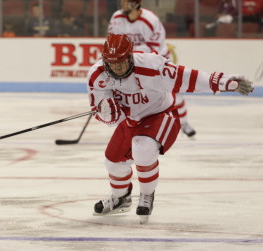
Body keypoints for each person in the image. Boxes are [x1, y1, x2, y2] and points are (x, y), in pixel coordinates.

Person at [88, 34, 253, 224]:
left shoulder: (152, 66)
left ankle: (147, 195)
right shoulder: (96, 75)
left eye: (121, 62)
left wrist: (224, 82)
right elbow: (104, 114)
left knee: (142, 147)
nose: (116, 67)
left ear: (130, 56)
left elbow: (188, 78)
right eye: (111, 63)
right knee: (112, 162)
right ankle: (120, 197)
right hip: (131, 120)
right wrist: (108, 114)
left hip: (161, 114)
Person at [108, 0, 196, 137]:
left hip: (158, 61)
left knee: (174, 92)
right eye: (122, 1)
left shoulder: (150, 20)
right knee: (131, 94)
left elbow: (154, 47)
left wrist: (127, 54)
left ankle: (184, 123)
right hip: (131, 62)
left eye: (127, 1)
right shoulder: (117, 18)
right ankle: (134, 126)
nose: (123, 4)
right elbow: (112, 41)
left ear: (136, 3)